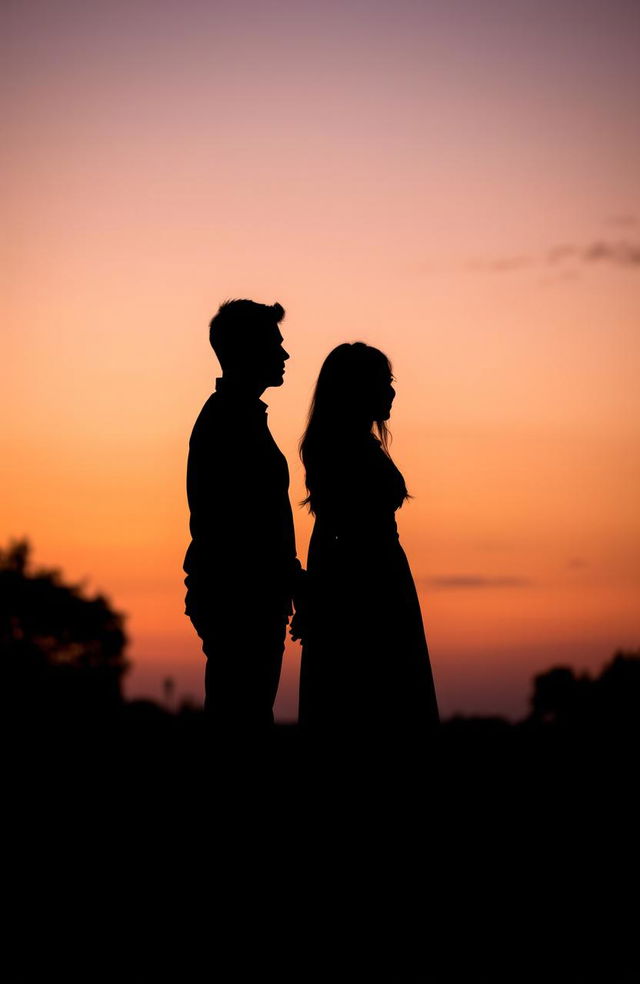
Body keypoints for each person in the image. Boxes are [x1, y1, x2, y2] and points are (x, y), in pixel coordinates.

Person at [293, 342, 439, 752]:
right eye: (384, 383)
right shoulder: (345, 452)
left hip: (381, 582)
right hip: (368, 593)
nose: (391, 392)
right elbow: (333, 534)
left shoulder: (352, 446)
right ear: (359, 389)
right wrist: (318, 597)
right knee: (377, 710)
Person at [183, 299, 304, 736]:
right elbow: (238, 527)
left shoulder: (240, 416)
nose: (285, 355)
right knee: (241, 724)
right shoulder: (228, 421)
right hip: (240, 600)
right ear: (249, 350)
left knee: (246, 717)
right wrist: (289, 579)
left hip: (249, 597)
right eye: (276, 344)